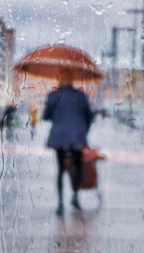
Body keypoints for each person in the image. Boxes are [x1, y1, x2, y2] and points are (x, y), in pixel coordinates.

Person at [42, 69, 93, 215]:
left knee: (60, 170)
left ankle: (60, 204)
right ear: (72, 81)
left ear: (59, 80)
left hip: (60, 138)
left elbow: (45, 116)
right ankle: (75, 197)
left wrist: (57, 117)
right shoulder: (81, 96)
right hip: (77, 137)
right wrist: (83, 132)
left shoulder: (53, 95)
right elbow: (89, 116)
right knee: (77, 167)